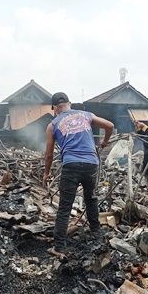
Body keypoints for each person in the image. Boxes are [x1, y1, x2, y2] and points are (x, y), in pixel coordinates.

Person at [42, 92, 114, 259]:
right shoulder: (86, 115)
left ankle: (59, 247)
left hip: (71, 165)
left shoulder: (53, 124)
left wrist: (46, 174)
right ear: (70, 103)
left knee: (65, 207)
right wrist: (104, 142)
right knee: (91, 198)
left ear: (54, 109)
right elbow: (110, 125)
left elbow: (49, 154)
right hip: (91, 163)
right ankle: (96, 234)